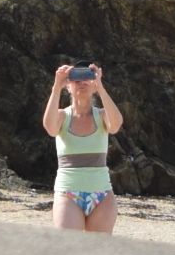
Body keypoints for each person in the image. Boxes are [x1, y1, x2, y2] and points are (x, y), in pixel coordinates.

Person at [39, 62, 122, 232]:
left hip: (102, 195)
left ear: (94, 85)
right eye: (76, 78)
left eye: (87, 77)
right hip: (68, 194)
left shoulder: (102, 116)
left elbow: (115, 125)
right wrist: (56, 86)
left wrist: (100, 87)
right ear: (68, 86)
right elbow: (50, 128)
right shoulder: (62, 116)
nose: (82, 82)